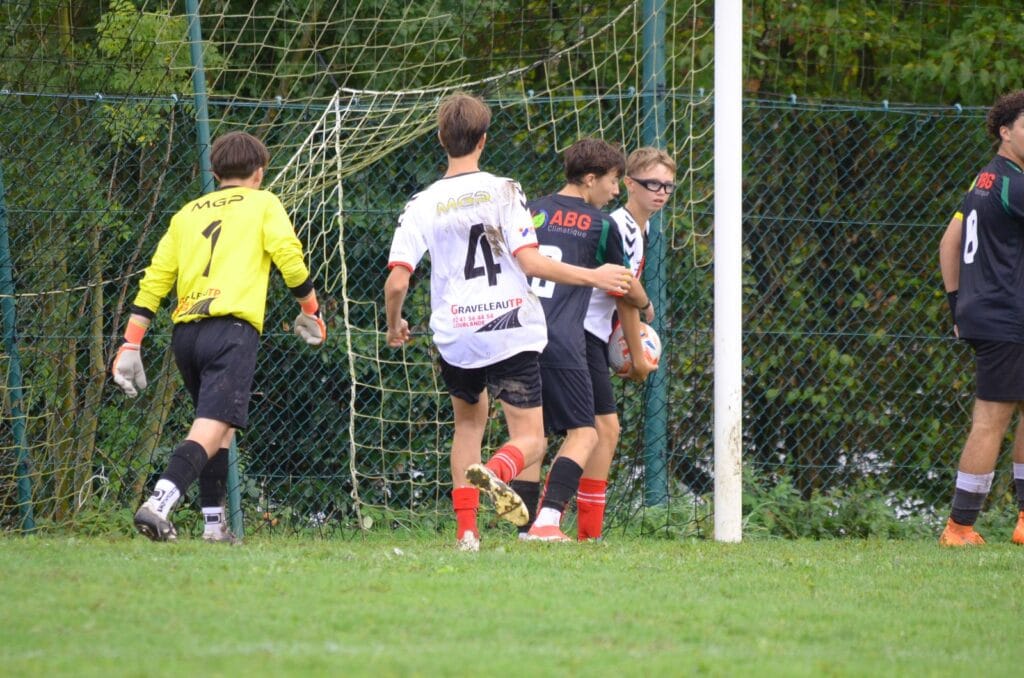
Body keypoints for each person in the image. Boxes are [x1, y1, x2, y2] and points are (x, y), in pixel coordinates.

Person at [383, 94, 633, 552]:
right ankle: (497, 470)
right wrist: (594, 276)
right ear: (483, 140)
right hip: (510, 327)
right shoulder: (505, 190)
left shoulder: (422, 202)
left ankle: (467, 533)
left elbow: (397, 281)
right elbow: (531, 263)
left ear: (441, 139)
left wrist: (394, 323)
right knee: (531, 439)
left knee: (468, 426)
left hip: (457, 334)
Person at [112, 131, 327, 542]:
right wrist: (310, 309)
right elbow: (288, 256)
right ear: (259, 173)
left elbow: (155, 280)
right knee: (211, 427)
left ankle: (214, 526)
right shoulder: (264, 203)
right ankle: (158, 503)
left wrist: (131, 342)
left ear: (214, 173)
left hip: (186, 334)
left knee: (218, 428)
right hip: (231, 330)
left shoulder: (187, 214)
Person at [511, 138, 650, 542]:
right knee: (586, 433)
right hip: (563, 337)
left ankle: (524, 529)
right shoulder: (602, 225)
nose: (615, 191)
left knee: (532, 434)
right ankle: (548, 520)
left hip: (518, 334)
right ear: (590, 179)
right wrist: (646, 311)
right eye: (613, 180)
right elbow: (623, 287)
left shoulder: (531, 210)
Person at [572, 147, 675, 541]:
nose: (661, 192)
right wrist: (638, 356)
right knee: (604, 429)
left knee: (586, 431)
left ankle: (550, 522)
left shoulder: (638, 228)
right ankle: (581, 531)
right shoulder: (623, 226)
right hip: (582, 331)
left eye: (667, 186)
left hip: (586, 332)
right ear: (629, 183)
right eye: (652, 184)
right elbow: (623, 293)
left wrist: (640, 301)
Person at [938, 89, 1024, 546]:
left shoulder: (983, 180)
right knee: (991, 420)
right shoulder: (1013, 184)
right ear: (1005, 132)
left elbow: (949, 242)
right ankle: (959, 527)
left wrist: (958, 305)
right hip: (1005, 315)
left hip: (990, 311)